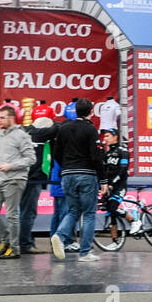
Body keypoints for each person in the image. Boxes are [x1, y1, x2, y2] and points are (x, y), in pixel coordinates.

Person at [49, 97, 104, 262]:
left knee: (73, 210)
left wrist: (66, 166)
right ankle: (85, 252)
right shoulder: (91, 129)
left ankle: (59, 235)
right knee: (89, 213)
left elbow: (56, 153)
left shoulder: (64, 128)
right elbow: (96, 156)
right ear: (91, 112)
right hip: (86, 174)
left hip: (67, 175)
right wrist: (103, 179)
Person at [0, 105, 35, 260]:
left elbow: (31, 159)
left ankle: (14, 248)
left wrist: (11, 166)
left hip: (15, 179)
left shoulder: (22, 135)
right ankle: (6, 240)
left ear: (11, 118)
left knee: (11, 214)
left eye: (2, 117)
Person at [18, 107, 54, 254]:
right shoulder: (41, 136)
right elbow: (56, 128)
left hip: (21, 177)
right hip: (32, 180)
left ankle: (25, 241)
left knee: (22, 212)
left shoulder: (25, 134)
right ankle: (25, 244)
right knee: (29, 213)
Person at [99, 128, 143, 244]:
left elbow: (123, 170)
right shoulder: (107, 153)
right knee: (111, 212)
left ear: (115, 137)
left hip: (119, 185)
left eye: (107, 136)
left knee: (112, 208)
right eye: (104, 136)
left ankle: (134, 221)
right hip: (109, 186)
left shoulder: (123, 150)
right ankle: (115, 242)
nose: (105, 138)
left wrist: (113, 183)